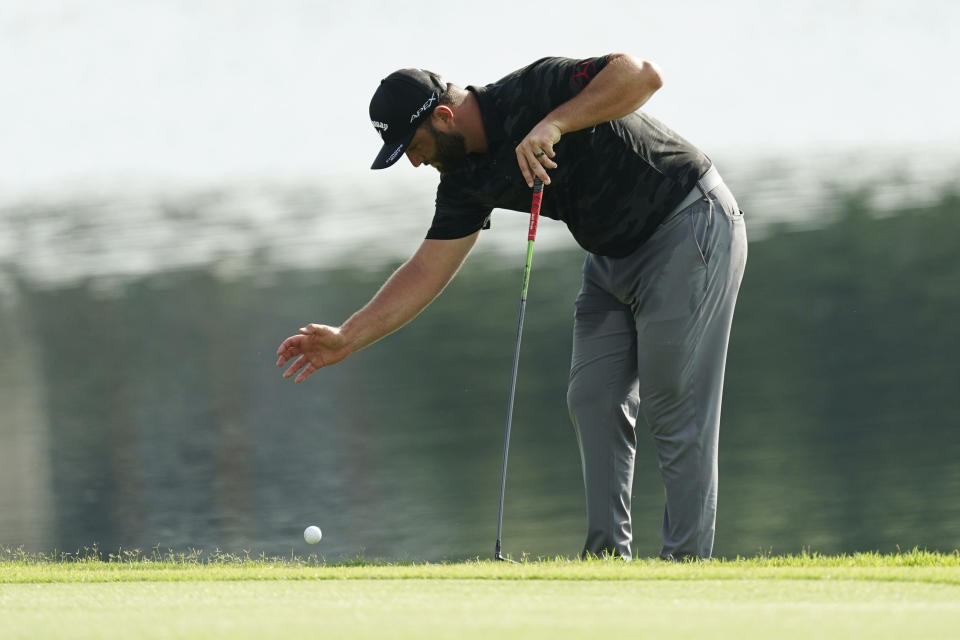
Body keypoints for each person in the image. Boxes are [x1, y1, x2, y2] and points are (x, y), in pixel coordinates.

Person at [276, 54, 747, 561]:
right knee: (593, 399)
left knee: (675, 410)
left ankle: (685, 570)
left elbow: (643, 75)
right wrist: (349, 336)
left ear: (443, 117)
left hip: (687, 224)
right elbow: (426, 270)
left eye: (414, 147)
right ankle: (608, 566)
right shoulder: (463, 177)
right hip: (611, 258)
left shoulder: (535, 89)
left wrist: (555, 122)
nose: (414, 162)